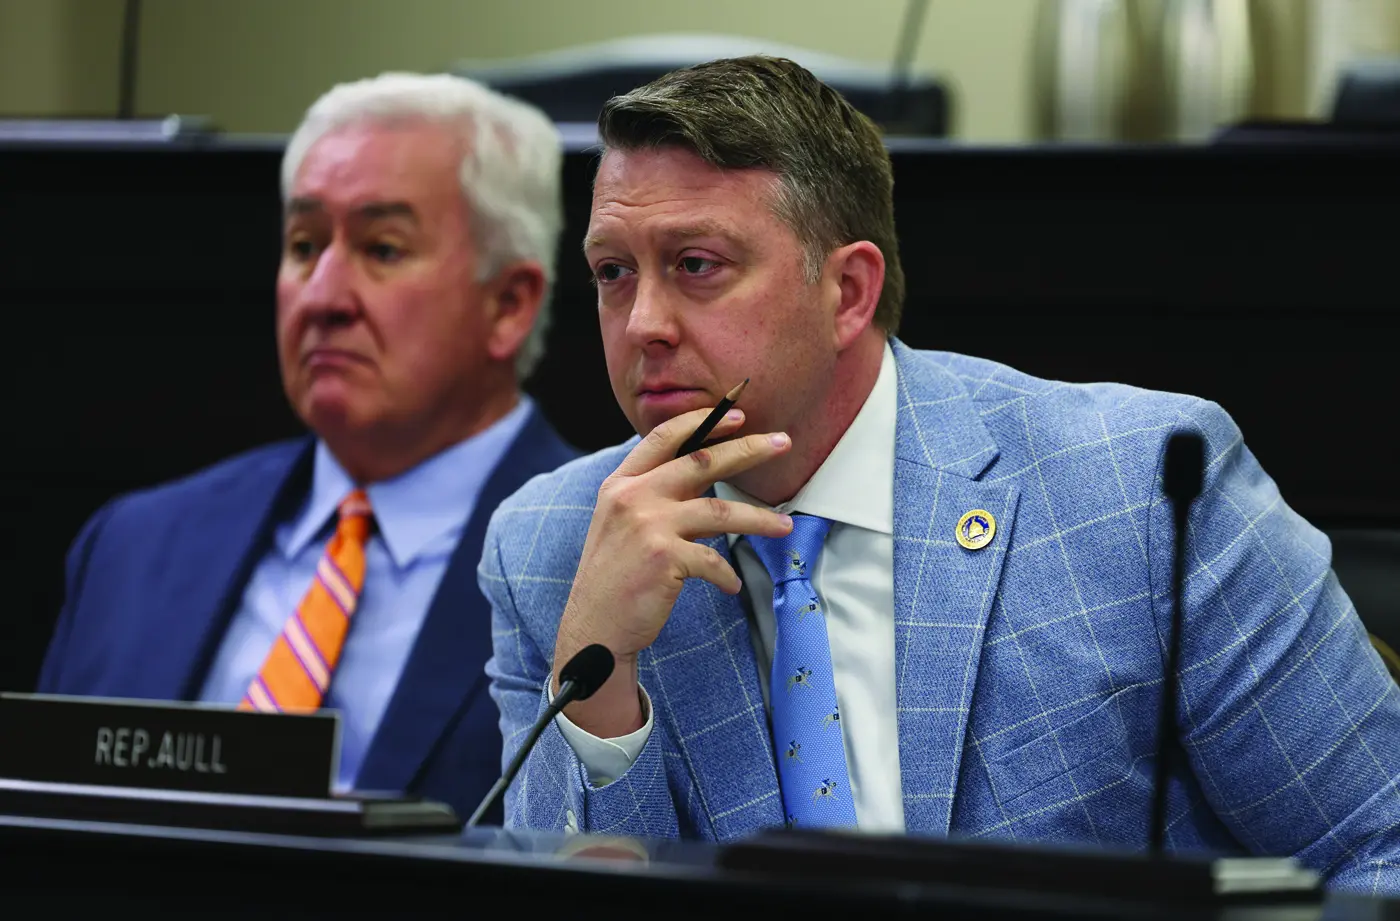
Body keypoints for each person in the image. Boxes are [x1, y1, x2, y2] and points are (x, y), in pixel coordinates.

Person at [481, 56, 1400, 890]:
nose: (643, 323)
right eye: (611, 273)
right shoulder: (553, 546)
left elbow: (1380, 843)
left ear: (848, 292)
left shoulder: (1143, 491)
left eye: (695, 266)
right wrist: (599, 680)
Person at [38, 72, 578, 823]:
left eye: (382, 248)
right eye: (303, 245)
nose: (324, 297)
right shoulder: (132, 546)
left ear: (508, 304)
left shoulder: (604, 560)